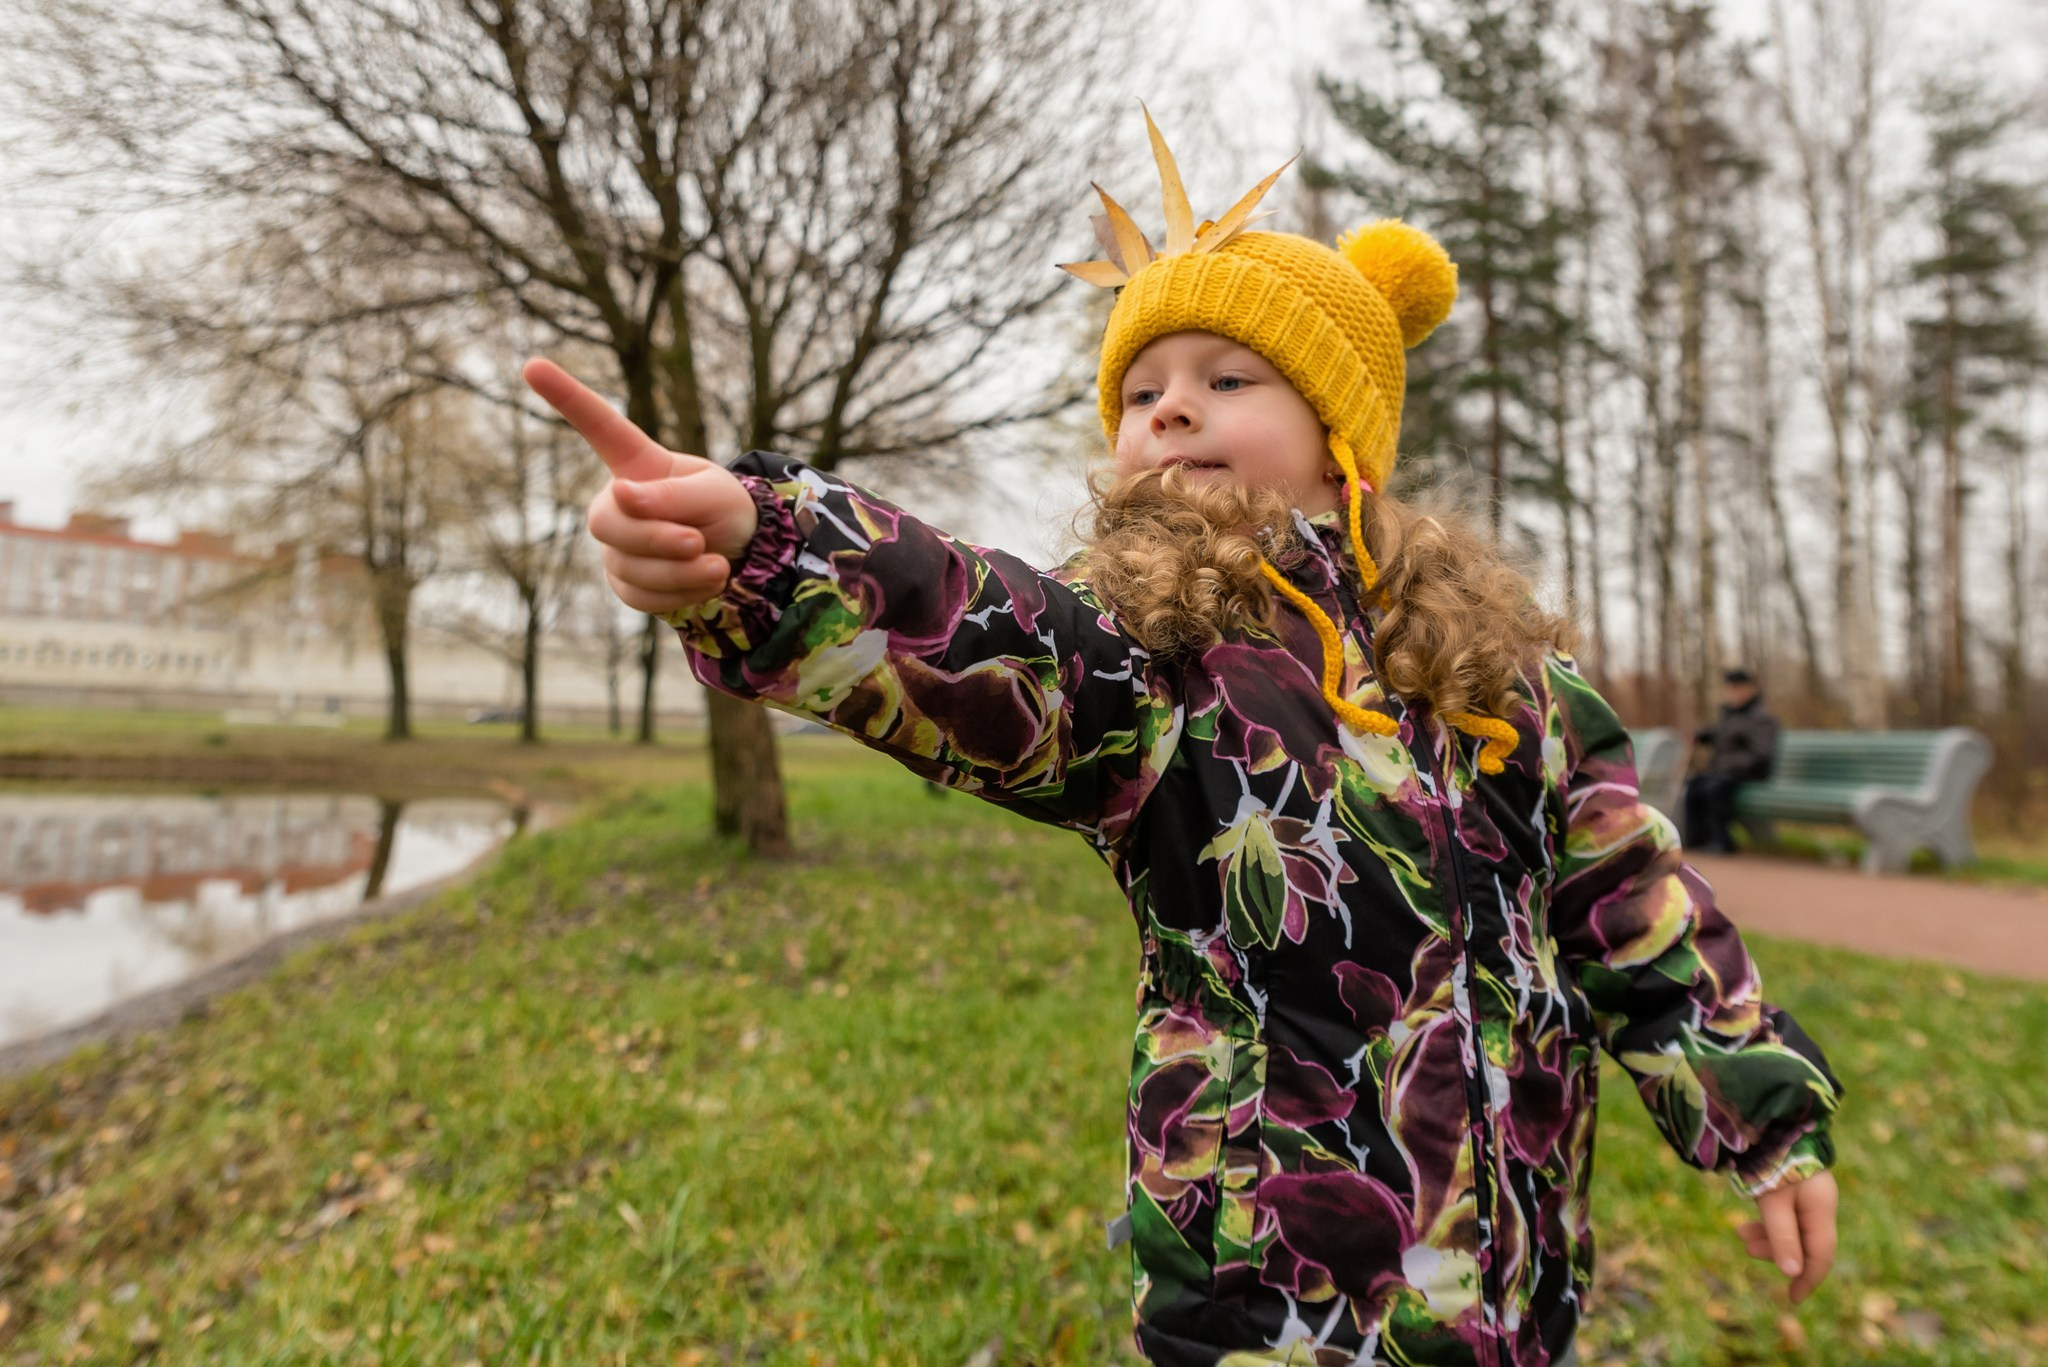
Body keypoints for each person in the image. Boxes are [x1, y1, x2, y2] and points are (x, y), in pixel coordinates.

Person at [524, 110, 1841, 1367]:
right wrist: (768, 547)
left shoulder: (1509, 677)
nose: (1166, 407)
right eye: (1140, 388)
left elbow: (1632, 900)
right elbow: (982, 631)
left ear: (1339, 431)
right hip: (1271, 1292)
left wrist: (1762, 1117)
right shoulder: (1154, 656)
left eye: (1225, 377)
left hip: (1517, 1271)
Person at [1685, 668, 1782, 854]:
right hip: (1725, 772)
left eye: (1738, 688)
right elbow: (1720, 735)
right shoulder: (1729, 716)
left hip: (1749, 774)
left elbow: (1761, 754)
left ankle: (1722, 841)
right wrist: (1700, 736)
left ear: (1750, 690)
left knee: (1715, 788)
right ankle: (1696, 839)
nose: (1734, 693)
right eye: (1731, 688)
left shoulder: (1762, 718)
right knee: (1694, 784)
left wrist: (1728, 765)